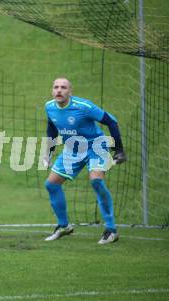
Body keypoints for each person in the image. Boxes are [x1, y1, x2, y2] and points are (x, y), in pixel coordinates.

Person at [43, 78, 127, 244]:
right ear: (52, 91)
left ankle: (111, 230)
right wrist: (49, 152)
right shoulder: (49, 107)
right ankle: (63, 226)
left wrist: (119, 150)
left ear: (70, 92)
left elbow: (111, 121)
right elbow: (52, 129)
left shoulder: (84, 106)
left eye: (63, 87)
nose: (59, 90)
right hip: (72, 149)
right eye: (56, 87)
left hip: (96, 147)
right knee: (51, 185)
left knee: (96, 182)